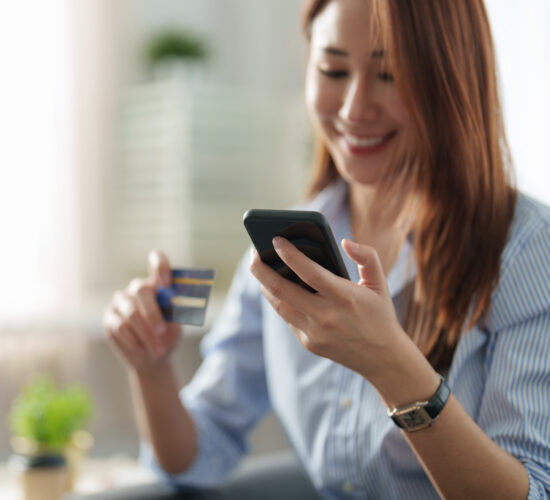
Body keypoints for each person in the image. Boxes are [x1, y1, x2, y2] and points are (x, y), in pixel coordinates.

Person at [102, 0, 550, 498]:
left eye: (389, 74)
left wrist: (391, 364)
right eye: (334, 69)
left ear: (450, 77)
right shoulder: (288, 247)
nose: (355, 108)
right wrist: (152, 368)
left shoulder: (526, 248)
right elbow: (196, 454)